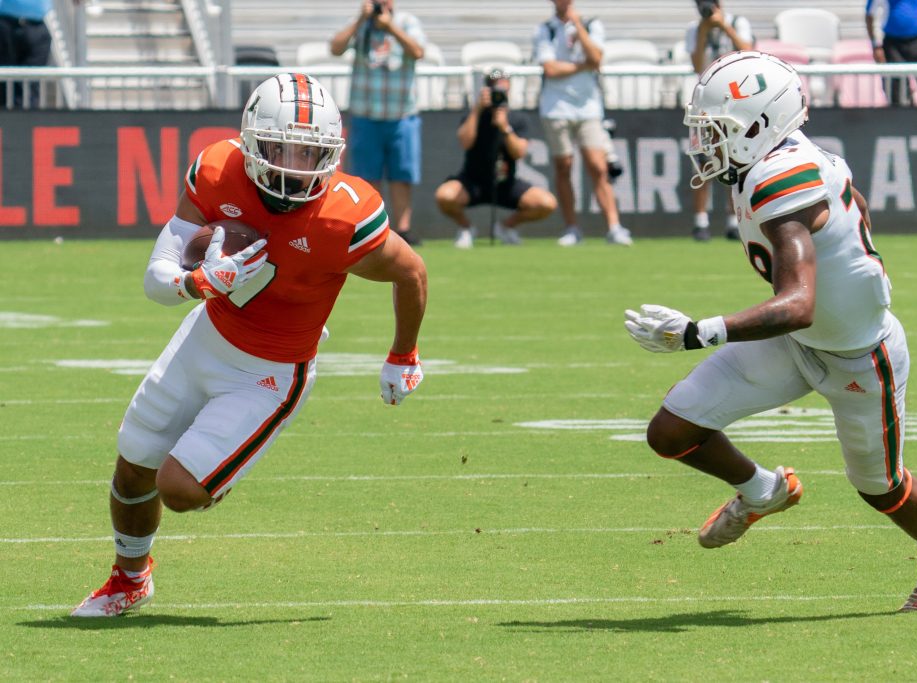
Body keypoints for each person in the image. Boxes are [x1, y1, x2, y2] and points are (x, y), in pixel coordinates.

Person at [624, 51, 917, 612]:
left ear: (760, 127)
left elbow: (798, 305)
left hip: (859, 355)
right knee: (671, 433)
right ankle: (764, 489)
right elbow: (852, 205)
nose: (705, 144)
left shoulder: (777, 177)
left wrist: (698, 331)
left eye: (718, 131)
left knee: (880, 488)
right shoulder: (784, 162)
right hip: (795, 345)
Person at [70, 73, 428, 617]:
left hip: (271, 372)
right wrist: (199, 282)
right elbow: (156, 278)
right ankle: (129, 580)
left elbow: (412, 272)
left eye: (310, 153)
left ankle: (219, 472)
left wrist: (403, 353)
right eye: (281, 148)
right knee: (133, 464)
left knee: (179, 488)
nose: (294, 166)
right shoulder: (217, 169)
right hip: (206, 335)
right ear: (251, 141)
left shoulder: (345, 214)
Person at [533, 0, 632, 247]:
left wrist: (578, 26)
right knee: (563, 167)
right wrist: (582, 66)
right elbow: (550, 69)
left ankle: (613, 226)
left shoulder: (591, 24)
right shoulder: (545, 29)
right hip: (555, 108)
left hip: (588, 108)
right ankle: (571, 228)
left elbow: (596, 58)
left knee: (598, 167)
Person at [330, 0, 426, 245]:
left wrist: (391, 27)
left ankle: (403, 230)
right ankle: (369, 226)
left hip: (401, 115)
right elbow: (336, 48)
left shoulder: (407, 22)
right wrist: (360, 20)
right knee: (365, 177)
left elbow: (418, 52)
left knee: (402, 176)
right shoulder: (360, 23)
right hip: (366, 116)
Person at [435, 68, 557, 249]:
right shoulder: (474, 116)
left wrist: (505, 127)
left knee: (546, 203)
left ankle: (506, 227)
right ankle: (466, 228)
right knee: (444, 196)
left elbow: (519, 153)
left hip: (505, 183)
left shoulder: (517, 119)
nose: (499, 95)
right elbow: (465, 142)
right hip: (472, 181)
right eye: (495, 91)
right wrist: (477, 109)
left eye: (503, 91)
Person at [684, 0, 753, 241]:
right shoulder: (694, 29)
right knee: (704, 162)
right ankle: (700, 221)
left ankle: (734, 220)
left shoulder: (736, 22)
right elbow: (696, 65)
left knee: (735, 161)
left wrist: (724, 27)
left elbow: (748, 53)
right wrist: (704, 30)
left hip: (736, 102)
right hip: (707, 103)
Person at [0, 0, 54, 108]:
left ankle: (25, 123)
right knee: (3, 86)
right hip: (5, 24)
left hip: (37, 25)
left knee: (31, 86)